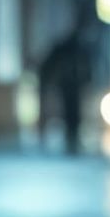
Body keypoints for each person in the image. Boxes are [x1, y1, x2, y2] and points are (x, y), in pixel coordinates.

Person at [38, 19, 93, 153]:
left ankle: (73, 134)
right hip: (68, 84)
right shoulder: (70, 49)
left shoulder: (78, 49)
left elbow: (87, 67)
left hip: (73, 84)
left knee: (74, 110)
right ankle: (71, 134)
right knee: (71, 109)